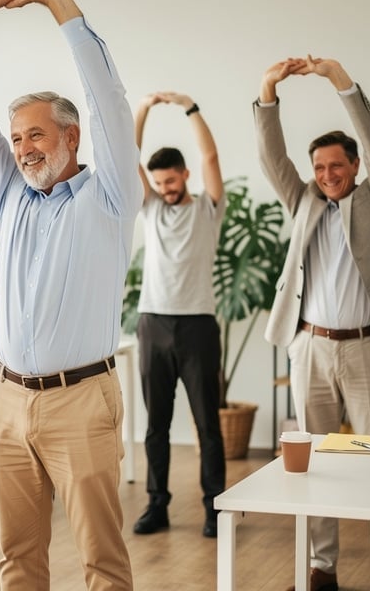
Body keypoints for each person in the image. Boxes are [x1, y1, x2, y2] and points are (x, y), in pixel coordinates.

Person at [0, 0, 140, 590]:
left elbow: (106, 96)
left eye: (37, 134)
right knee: (18, 558)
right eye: (19, 138)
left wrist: (59, 4)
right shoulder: (12, 197)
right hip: (5, 399)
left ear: (71, 136)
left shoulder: (110, 195)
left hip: (80, 402)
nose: (24, 149)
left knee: (101, 561)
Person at [256, 56, 370, 591]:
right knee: (312, 465)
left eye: (337, 166)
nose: (327, 176)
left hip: (366, 350)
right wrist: (268, 89)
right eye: (320, 168)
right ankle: (321, 567)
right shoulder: (303, 201)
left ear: (354, 166)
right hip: (309, 348)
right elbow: (271, 157)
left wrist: (340, 81)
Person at [130, 91, 226, 539]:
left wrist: (190, 108)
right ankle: (157, 505)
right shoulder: (149, 208)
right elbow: (126, 154)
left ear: (185, 175)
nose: (166, 189)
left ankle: (214, 507)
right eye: (160, 183)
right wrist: (144, 109)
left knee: (208, 423)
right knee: (156, 426)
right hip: (153, 323)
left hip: (198, 326)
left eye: (172, 181)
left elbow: (210, 153)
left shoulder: (208, 209)